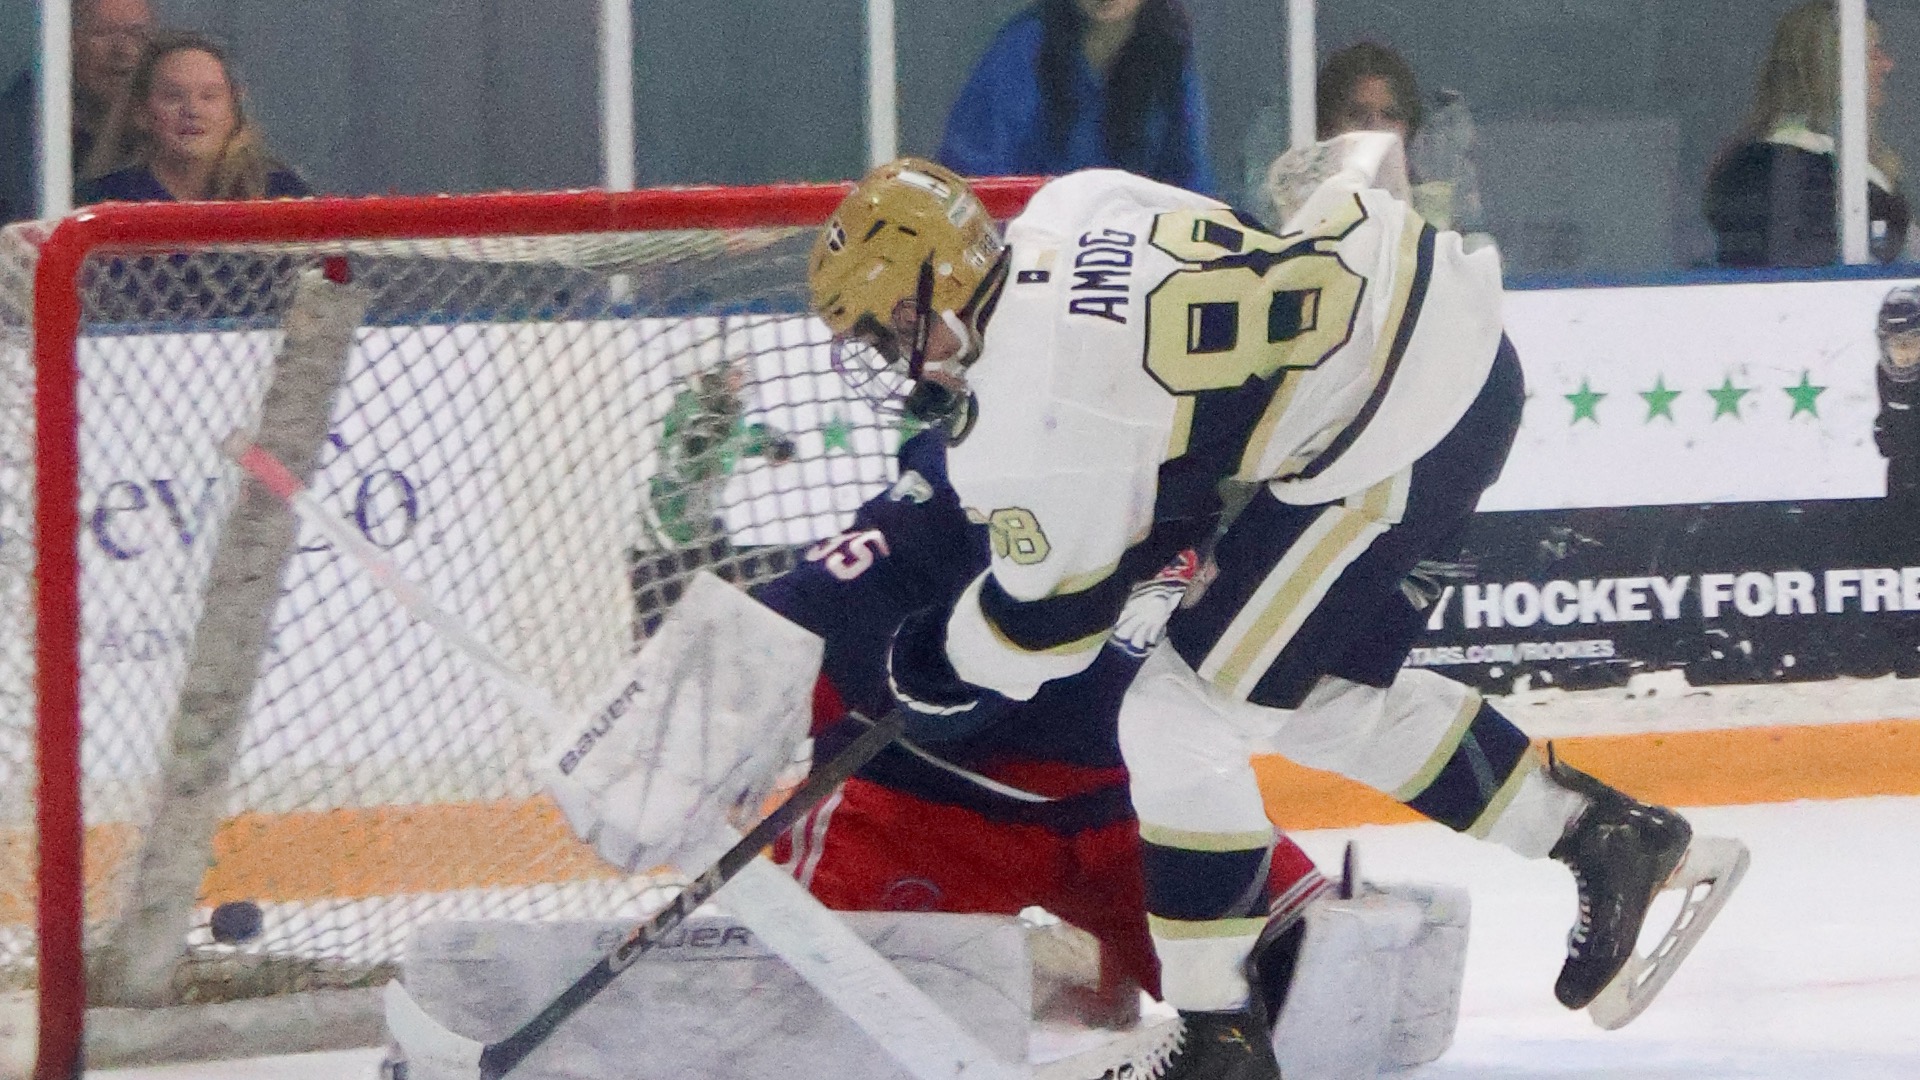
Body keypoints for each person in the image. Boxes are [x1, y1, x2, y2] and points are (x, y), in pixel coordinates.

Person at [807, 151, 1748, 1078]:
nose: (896, 360)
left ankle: (1219, 1033)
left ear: (922, 290)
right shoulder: (1073, 202)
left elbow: (1046, 630)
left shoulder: (1025, 421)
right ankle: (1605, 836)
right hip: (1448, 353)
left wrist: (928, 660)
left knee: (1176, 718)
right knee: (1316, 696)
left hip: (1384, 429)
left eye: (888, 333)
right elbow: (1230, 255)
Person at [937, 0, 1216, 197]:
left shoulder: (1170, 54)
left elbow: (1190, 184)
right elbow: (974, 180)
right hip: (1029, 250)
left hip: (1134, 253)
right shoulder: (1023, 48)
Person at [1705, 1, 1908, 267]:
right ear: (1828, 70)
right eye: (1872, 54)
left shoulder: (1819, 167)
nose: (1888, 64)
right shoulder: (1793, 175)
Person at [1245, 41, 1487, 240]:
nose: (1375, 127)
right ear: (1327, 127)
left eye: (1390, 116)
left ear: (1409, 129)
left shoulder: (1437, 212)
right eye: (1357, 115)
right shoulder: (1290, 208)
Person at [77, 31, 309, 204]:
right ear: (142, 113)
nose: (192, 110)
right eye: (173, 97)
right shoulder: (107, 200)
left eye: (210, 96)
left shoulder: (279, 193)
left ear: (234, 109)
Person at [0, 0, 155, 223]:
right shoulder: (18, 129)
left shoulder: (163, 126)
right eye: (103, 33)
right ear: (64, 39)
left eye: (138, 34)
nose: (124, 50)